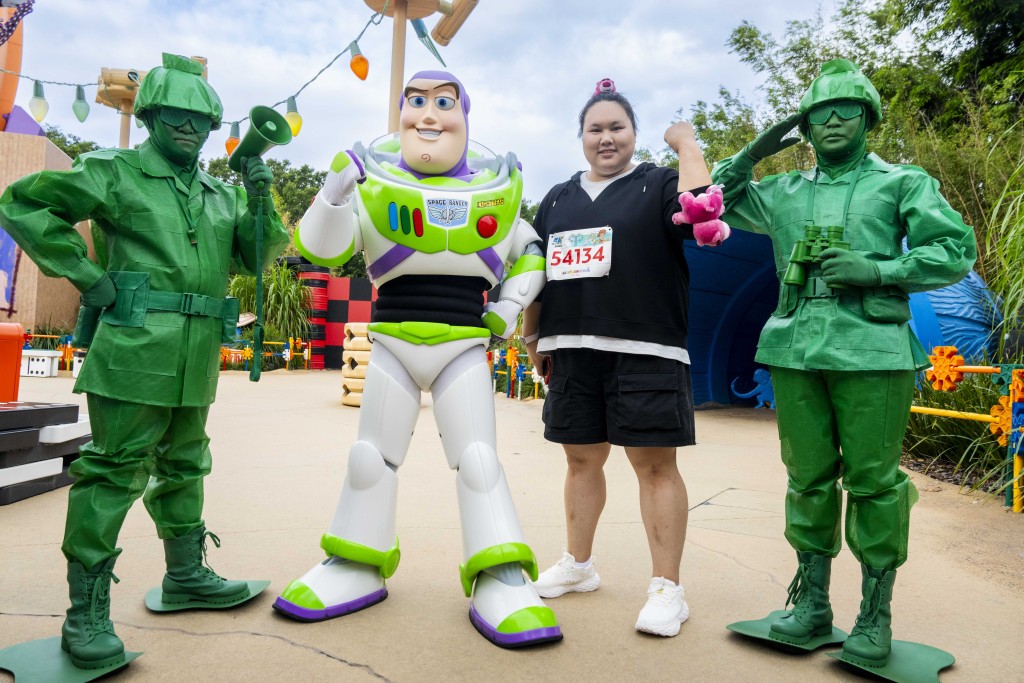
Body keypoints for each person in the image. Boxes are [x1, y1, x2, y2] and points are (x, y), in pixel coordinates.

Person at [0, 53, 289, 671]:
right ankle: (86, 611)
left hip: (197, 353)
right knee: (113, 471)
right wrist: (87, 276)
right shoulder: (115, 170)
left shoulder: (219, 194)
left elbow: (254, 258)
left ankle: (185, 575)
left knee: (186, 462)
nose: (188, 128)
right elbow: (24, 203)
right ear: (153, 114)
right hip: (133, 347)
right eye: (176, 115)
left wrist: (260, 200)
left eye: (200, 119)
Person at [275, 70, 561, 648]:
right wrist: (333, 190)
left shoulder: (496, 190)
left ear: (464, 116)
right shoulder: (371, 186)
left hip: (463, 344)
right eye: (416, 102)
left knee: (479, 460)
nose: (428, 115)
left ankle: (498, 572)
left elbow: (530, 251)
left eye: (442, 103)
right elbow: (323, 247)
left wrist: (509, 305)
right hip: (393, 344)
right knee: (369, 458)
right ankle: (356, 561)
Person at [711, 59, 975, 667]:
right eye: (819, 112)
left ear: (867, 118)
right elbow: (713, 205)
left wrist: (878, 270)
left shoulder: (902, 182)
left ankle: (874, 615)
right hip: (795, 347)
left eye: (845, 109)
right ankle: (812, 606)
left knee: (875, 484)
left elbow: (954, 248)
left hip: (872, 350)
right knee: (806, 478)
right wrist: (754, 149)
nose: (832, 120)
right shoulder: (781, 192)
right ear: (803, 125)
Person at [523, 79, 720, 638]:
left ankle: (667, 589)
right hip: (571, 349)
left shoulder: (659, 184)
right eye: (595, 129)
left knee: (654, 466)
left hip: (647, 348)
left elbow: (704, 214)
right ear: (580, 137)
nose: (606, 138)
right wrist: (533, 338)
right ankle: (579, 565)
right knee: (580, 461)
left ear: (633, 134)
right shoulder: (557, 198)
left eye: (617, 128)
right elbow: (535, 275)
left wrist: (686, 145)